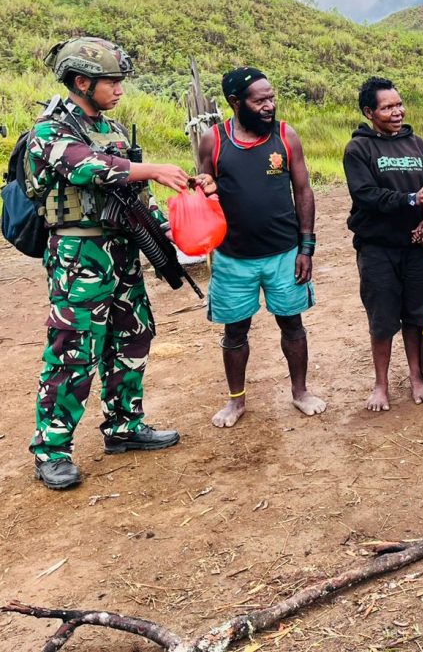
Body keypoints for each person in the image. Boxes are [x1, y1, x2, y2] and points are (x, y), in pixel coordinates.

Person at [26, 37, 210, 490]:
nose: (119, 89)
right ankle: (51, 449)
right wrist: (152, 169)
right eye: (112, 81)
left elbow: (137, 196)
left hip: (124, 251)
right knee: (74, 350)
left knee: (133, 334)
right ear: (81, 81)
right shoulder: (50, 130)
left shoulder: (115, 133)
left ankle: (124, 427)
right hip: (78, 254)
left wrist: (178, 210)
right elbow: (85, 168)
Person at [196, 67, 325, 428]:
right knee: (235, 332)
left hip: (285, 254)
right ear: (236, 102)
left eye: (272, 98)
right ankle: (236, 401)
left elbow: (303, 191)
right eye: (260, 100)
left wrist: (306, 248)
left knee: (292, 324)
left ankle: (300, 393)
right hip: (232, 257)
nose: (269, 106)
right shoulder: (214, 141)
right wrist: (202, 189)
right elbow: (205, 190)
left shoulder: (286, 137)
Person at [342, 76, 423, 408]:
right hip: (377, 247)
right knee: (382, 319)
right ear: (370, 112)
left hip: (417, 248)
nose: (397, 112)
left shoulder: (420, 146)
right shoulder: (359, 149)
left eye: (399, 104)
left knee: (416, 316)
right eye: (387, 107)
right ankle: (381, 385)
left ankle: (415, 377)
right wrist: (411, 199)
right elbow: (366, 195)